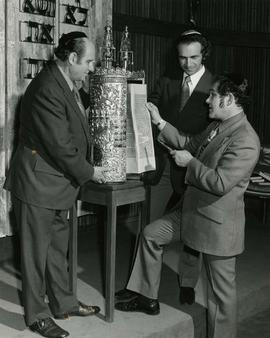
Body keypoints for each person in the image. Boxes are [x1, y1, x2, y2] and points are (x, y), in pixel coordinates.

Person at [115, 73, 260, 338]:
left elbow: (219, 182)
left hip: (218, 225)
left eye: (213, 95)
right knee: (150, 235)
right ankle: (147, 297)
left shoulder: (246, 139)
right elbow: (187, 144)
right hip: (192, 212)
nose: (207, 101)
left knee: (221, 296)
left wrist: (189, 163)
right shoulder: (217, 126)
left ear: (228, 99)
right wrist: (159, 121)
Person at [4, 31, 106, 338]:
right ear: (72, 58)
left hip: (58, 183)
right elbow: (60, 145)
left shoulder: (67, 82)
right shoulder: (47, 87)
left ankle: (63, 303)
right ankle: (37, 315)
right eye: (88, 61)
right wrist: (91, 172)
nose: (91, 68)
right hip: (38, 182)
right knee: (35, 254)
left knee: (56, 248)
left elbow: (76, 133)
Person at [145, 29, 213, 213]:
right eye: (182, 57)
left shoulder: (215, 87)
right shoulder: (167, 79)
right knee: (150, 226)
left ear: (204, 55)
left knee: (191, 232)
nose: (188, 63)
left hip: (194, 169)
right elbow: (150, 108)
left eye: (194, 57)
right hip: (162, 166)